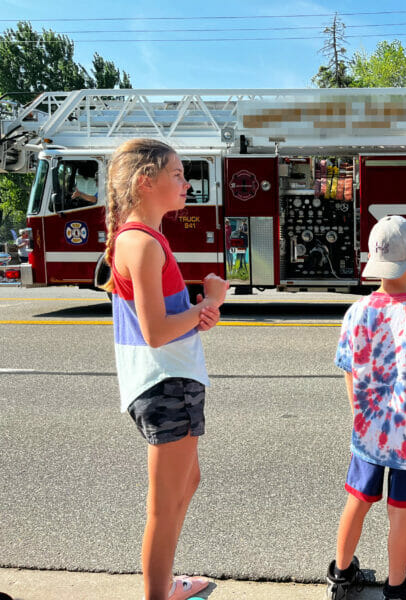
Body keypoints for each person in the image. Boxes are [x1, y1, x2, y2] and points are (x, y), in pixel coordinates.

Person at [102, 138, 229, 600]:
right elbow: (155, 331)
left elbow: (160, 320)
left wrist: (198, 312)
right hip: (164, 382)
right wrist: (210, 302)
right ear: (145, 181)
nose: (186, 183)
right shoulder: (140, 242)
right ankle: (159, 593)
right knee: (163, 505)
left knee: (187, 482)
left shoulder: (144, 238)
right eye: (176, 174)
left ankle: (164, 580)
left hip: (171, 379)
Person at [326, 215, 406, 600]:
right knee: (401, 512)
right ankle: (397, 587)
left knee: (358, 499)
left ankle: (341, 574)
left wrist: (359, 411)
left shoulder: (356, 312)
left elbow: (349, 371)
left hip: (368, 429)